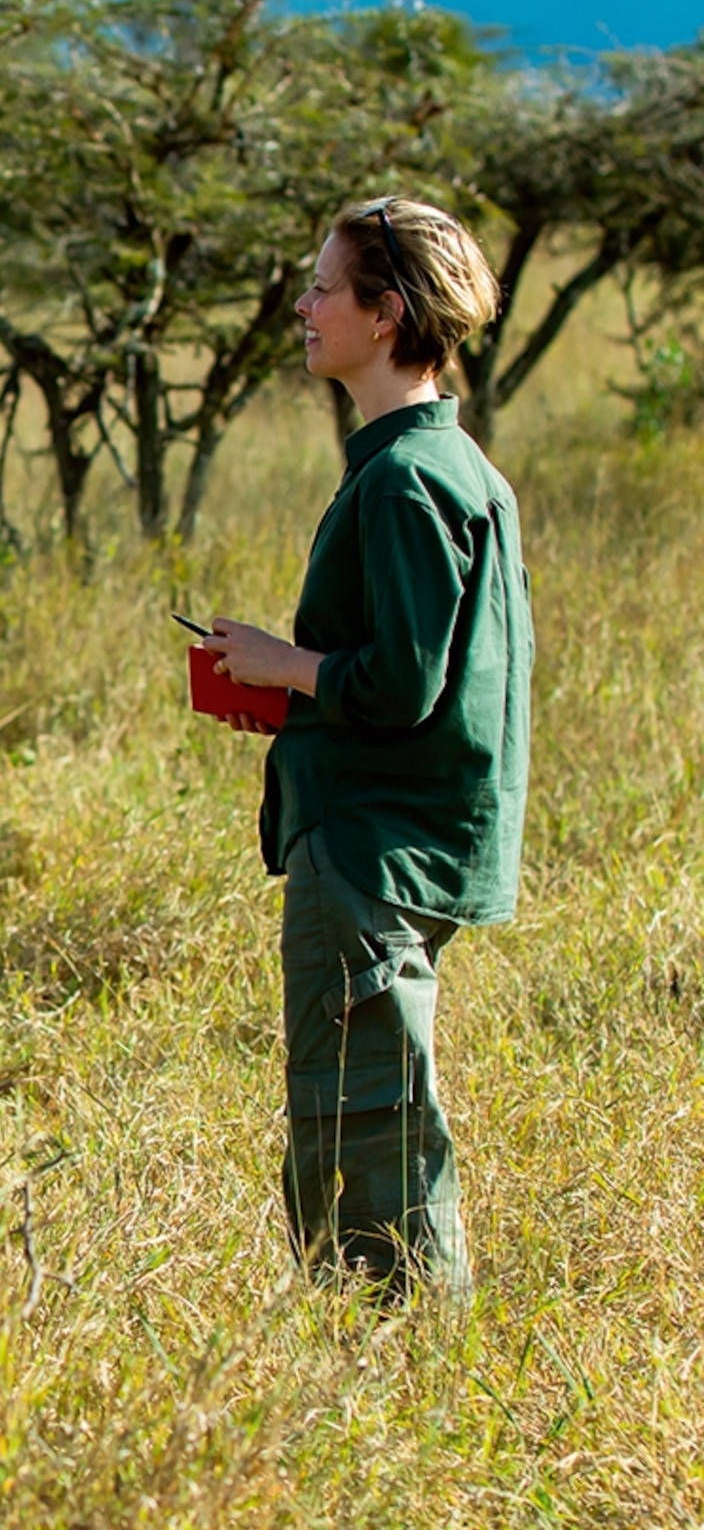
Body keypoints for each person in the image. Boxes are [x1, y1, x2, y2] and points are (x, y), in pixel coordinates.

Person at [207, 195, 533, 1304]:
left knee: (360, 1120)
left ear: (385, 313)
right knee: (372, 1098)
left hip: (370, 848)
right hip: (411, 837)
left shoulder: (402, 480)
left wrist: (275, 662)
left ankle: (391, 1363)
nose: (301, 307)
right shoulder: (452, 467)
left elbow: (399, 685)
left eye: (321, 287)